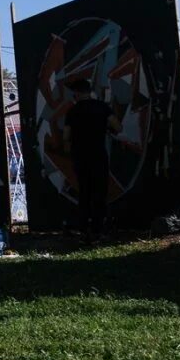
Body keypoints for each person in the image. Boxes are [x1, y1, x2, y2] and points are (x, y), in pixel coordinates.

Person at [63, 78, 122, 245]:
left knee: (84, 192)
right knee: (99, 192)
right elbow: (117, 127)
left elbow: (66, 136)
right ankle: (98, 229)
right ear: (89, 91)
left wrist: (70, 151)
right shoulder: (102, 107)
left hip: (80, 156)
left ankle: (83, 229)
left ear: (77, 93)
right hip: (98, 155)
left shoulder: (72, 112)